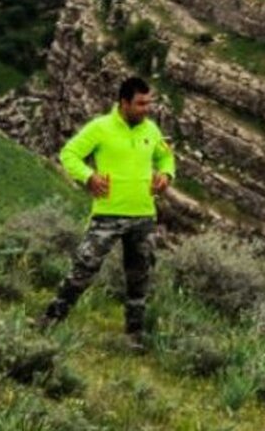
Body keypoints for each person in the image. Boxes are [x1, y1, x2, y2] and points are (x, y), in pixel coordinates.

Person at [38, 76, 175, 349]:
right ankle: (50, 320)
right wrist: (88, 177)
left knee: (140, 277)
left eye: (149, 102)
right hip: (107, 216)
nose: (147, 108)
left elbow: (166, 157)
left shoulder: (151, 130)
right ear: (124, 103)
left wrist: (166, 174)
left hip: (144, 217)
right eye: (141, 103)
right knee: (83, 270)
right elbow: (69, 154)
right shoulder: (100, 128)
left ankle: (134, 335)